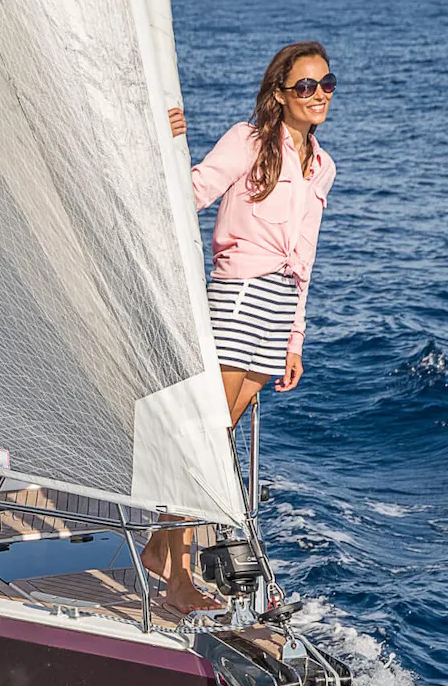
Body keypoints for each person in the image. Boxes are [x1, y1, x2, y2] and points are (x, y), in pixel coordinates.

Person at [144, 41, 337, 613]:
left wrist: (295, 338)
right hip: (239, 295)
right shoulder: (249, 140)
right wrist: (164, 143)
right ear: (280, 92)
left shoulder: (321, 166)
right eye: (306, 86)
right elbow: (192, 191)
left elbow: (306, 257)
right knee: (206, 437)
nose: (319, 95)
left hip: (279, 306)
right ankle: (176, 578)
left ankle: (159, 550)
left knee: (217, 438)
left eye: (327, 84)